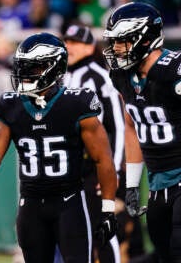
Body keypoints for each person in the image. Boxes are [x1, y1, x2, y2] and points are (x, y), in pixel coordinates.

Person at [0, 32, 118, 263]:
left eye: (33, 68)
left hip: (69, 202)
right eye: (22, 67)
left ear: (53, 67)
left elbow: (103, 158)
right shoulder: (10, 104)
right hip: (30, 204)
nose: (25, 74)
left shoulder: (76, 102)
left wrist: (108, 208)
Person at [102, 1, 181, 263]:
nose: (116, 48)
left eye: (123, 41)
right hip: (158, 183)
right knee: (163, 257)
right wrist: (132, 183)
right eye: (115, 41)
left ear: (145, 40)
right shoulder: (122, 75)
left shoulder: (177, 69)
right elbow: (132, 124)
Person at [62, 24, 124, 263]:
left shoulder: (99, 75)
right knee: (75, 231)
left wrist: (113, 169)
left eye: (75, 42)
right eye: (66, 42)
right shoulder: (64, 76)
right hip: (71, 167)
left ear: (90, 46)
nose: (69, 47)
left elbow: (117, 125)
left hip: (94, 165)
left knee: (102, 227)